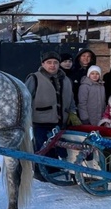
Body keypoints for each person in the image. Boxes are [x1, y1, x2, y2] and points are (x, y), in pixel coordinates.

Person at [25, 51, 79, 181]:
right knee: (42, 146)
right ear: (43, 64)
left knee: (56, 145)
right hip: (41, 119)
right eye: (49, 62)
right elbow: (26, 98)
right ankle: (39, 171)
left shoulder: (65, 79)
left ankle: (53, 168)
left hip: (61, 120)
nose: (52, 65)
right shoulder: (34, 78)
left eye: (55, 62)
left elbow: (71, 99)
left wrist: (73, 113)